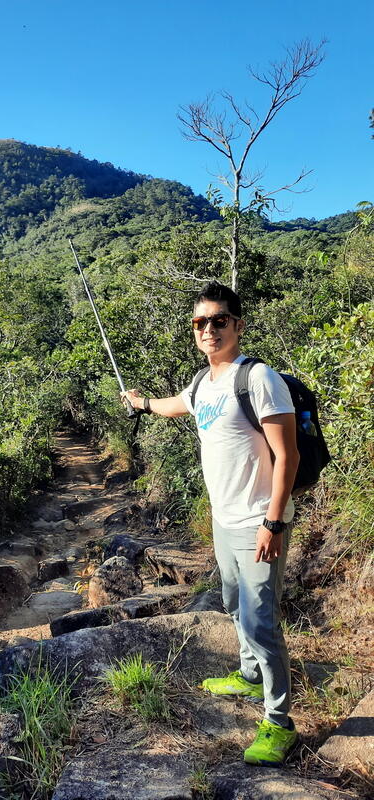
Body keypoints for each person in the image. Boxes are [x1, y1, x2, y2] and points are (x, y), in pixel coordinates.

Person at [121, 281, 300, 766]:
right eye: (200, 322)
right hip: (224, 521)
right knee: (233, 603)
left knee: (262, 623)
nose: (209, 329)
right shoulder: (203, 383)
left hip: (258, 521)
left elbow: (288, 456)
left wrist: (273, 523)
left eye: (219, 320)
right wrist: (141, 402)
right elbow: (172, 406)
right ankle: (249, 677)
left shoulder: (258, 378)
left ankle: (279, 722)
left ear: (237, 325)